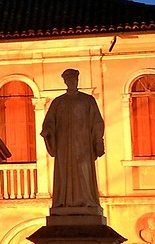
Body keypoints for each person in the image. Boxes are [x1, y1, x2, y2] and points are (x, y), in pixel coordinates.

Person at [41, 69, 106, 219]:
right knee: (64, 173)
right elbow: (49, 122)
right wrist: (48, 131)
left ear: (77, 80)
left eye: (74, 80)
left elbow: (97, 122)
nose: (72, 82)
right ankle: (64, 202)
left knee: (84, 172)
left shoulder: (87, 101)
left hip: (83, 145)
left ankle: (86, 200)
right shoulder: (58, 102)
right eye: (69, 80)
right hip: (64, 146)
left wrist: (98, 141)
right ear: (65, 82)